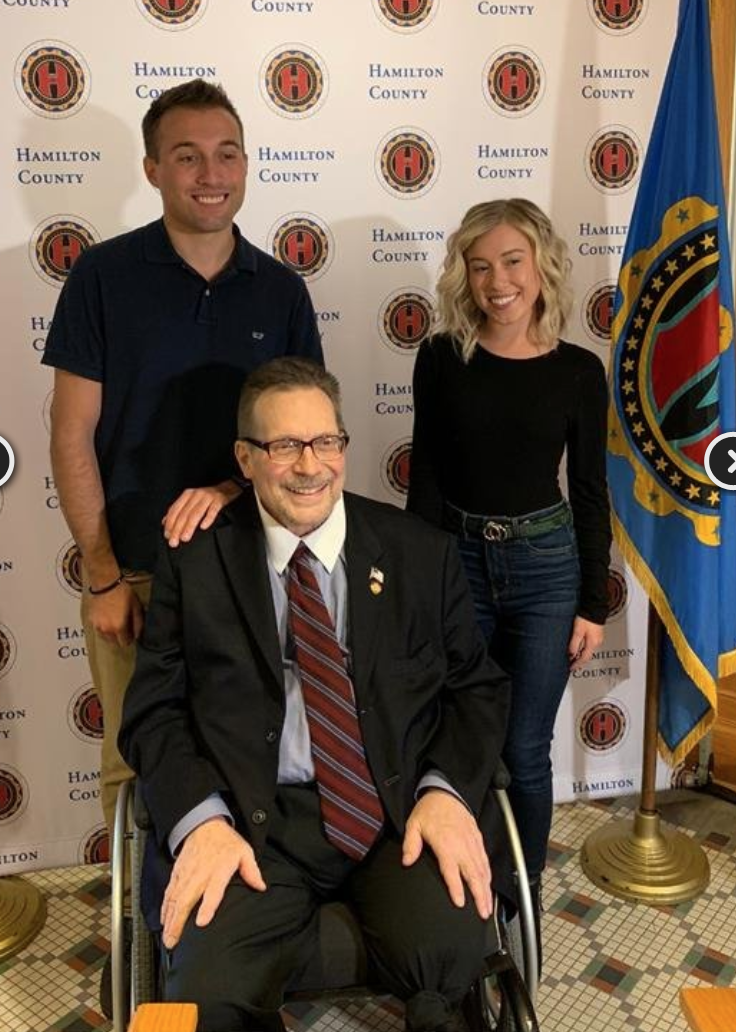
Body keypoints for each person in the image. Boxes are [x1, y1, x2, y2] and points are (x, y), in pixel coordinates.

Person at [119, 357, 510, 1032]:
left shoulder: (418, 552)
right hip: (250, 821)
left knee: (454, 960)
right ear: (245, 458)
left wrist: (446, 795)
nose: (310, 466)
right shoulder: (195, 561)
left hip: (395, 814)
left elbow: (475, 688)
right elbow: (155, 711)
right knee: (206, 994)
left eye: (326, 442)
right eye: (284, 446)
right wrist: (201, 820)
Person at [42, 81, 323, 836]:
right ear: (152, 169)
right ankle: (141, 938)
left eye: (227, 154)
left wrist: (230, 486)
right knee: (134, 761)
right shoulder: (101, 278)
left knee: (248, 753)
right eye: (188, 156)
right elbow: (71, 435)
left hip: (255, 570)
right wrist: (103, 575)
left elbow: (302, 442)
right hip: (134, 572)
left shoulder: (282, 290)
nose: (211, 173)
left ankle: (232, 933)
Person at [407, 199, 611, 955]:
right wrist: (421, 585)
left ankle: (516, 899)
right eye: (480, 264)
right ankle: (465, 887)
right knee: (462, 737)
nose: (497, 281)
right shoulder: (439, 357)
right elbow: (425, 474)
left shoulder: (579, 371)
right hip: (457, 562)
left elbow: (590, 491)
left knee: (524, 749)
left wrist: (593, 600)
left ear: (542, 265)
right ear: (463, 272)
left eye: (512, 262)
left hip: (546, 570)